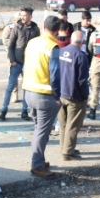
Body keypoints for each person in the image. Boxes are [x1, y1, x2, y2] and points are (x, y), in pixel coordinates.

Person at [22, 15, 62, 178]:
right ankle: (37, 165)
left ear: (43, 27)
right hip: (44, 96)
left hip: (29, 92)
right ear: (57, 31)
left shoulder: (32, 42)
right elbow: (55, 75)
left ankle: (39, 159)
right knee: (42, 131)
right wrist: (58, 96)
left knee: (38, 129)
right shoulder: (53, 46)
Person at [1, 7, 40, 121]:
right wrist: (12, 60)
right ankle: (4, 110)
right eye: (21, 15)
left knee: (26, 88)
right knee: (10, 87)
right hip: (16, 62)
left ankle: (24, 111)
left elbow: (38, 46)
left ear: (30, 16)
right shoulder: (17, 27)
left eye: (25, 15)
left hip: (29, 63)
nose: (22, 17)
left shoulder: (35, 29)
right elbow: (11, 45)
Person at [58, 30, 89, 161]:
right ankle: (68, 152)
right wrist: (85, 95)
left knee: (63, 123)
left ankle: (64, 147)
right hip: (74, 96)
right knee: (73, 125)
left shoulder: (60, 51)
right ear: (82, 42)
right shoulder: (81, 56)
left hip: (60, 93)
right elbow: (82, 81)